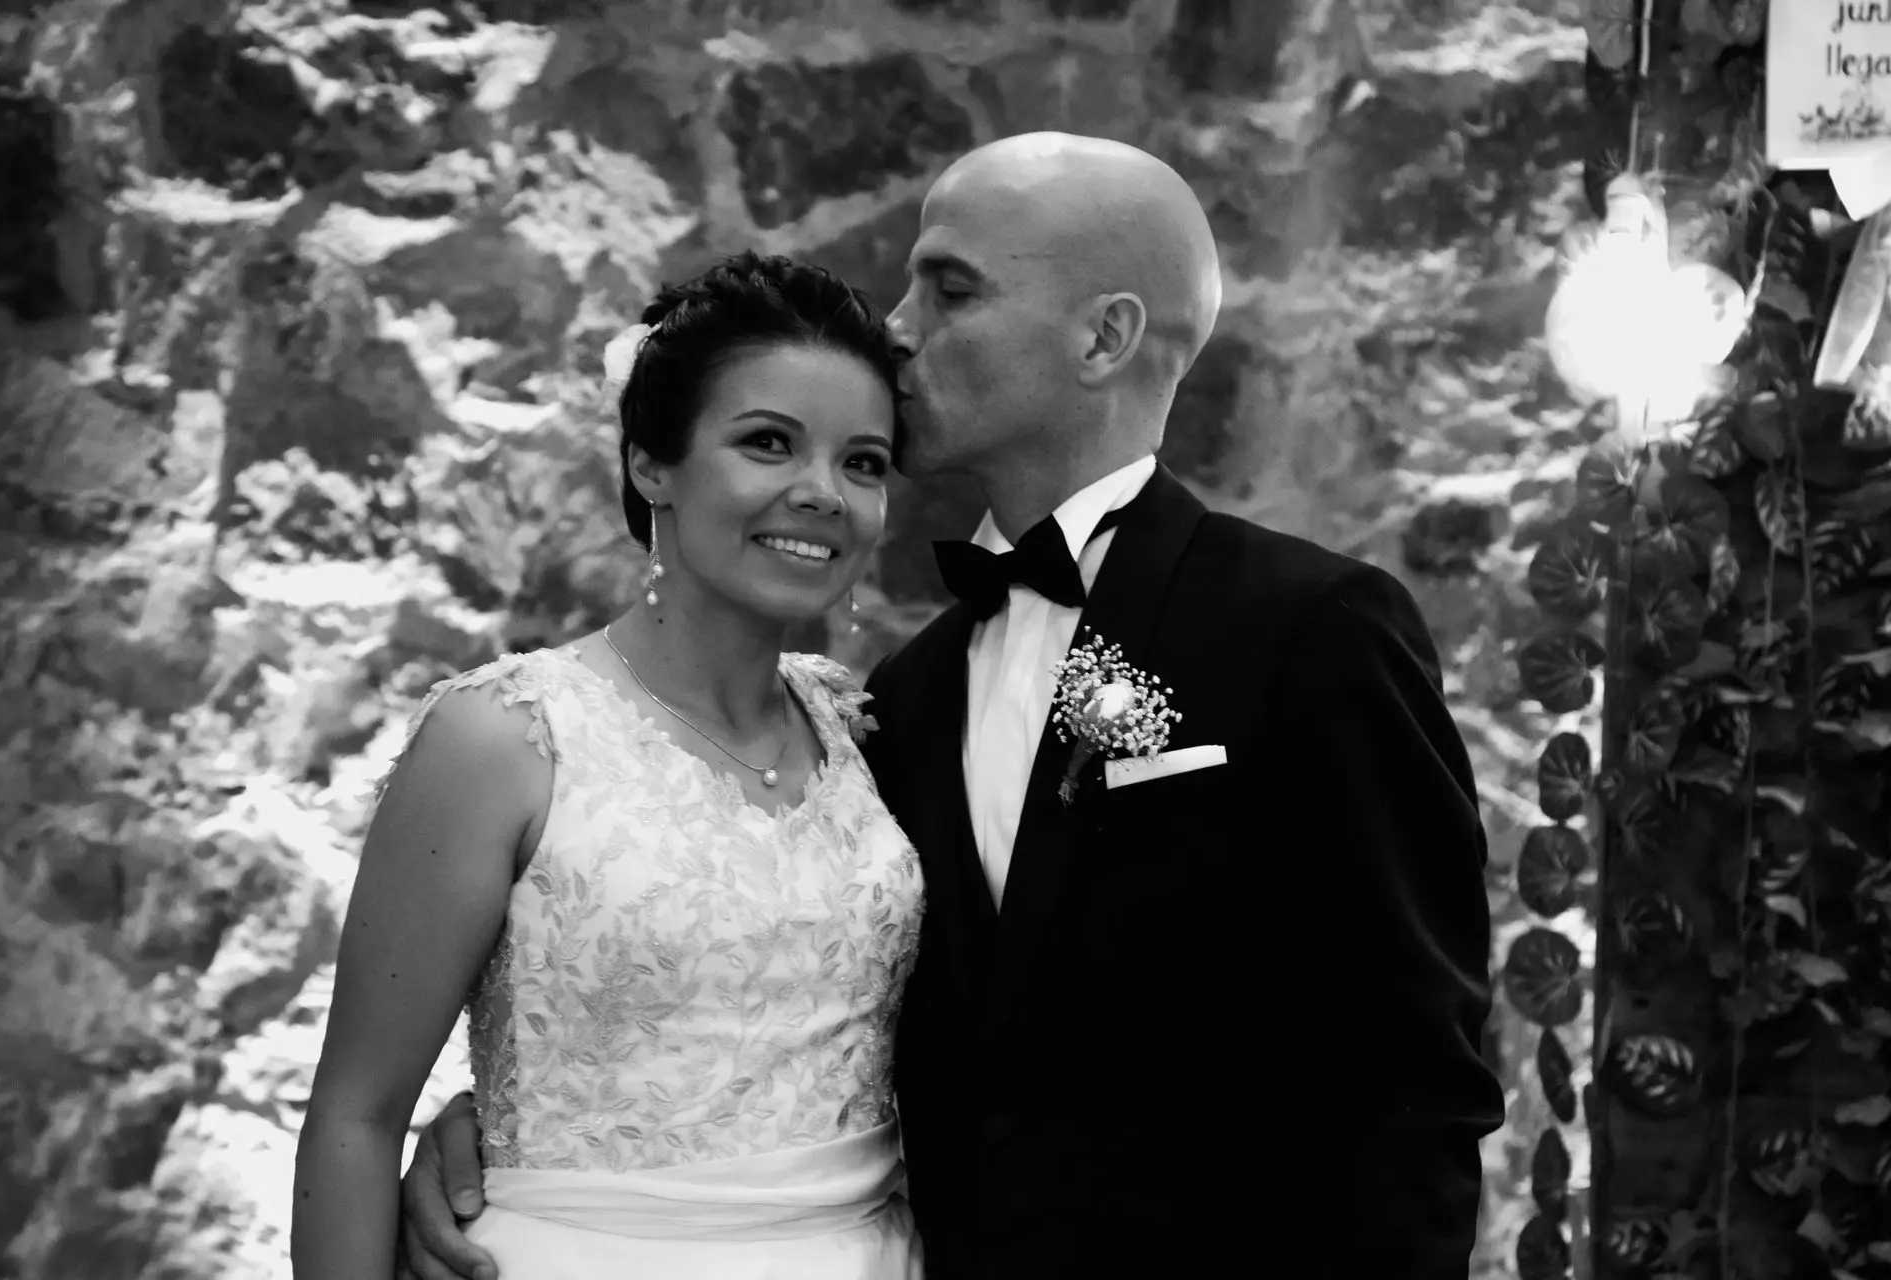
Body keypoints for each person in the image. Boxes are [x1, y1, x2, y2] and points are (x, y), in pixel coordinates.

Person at [399, 132, 1506, 1279]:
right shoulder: (898, 700)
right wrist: (526, 1130)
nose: (894, 325)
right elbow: (813, 1009)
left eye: (950, 287)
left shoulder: (1313, 628)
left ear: (1104, 337)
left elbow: (1416, 1080)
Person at [292, 252, 927, 1280]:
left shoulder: (858, 726)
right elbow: (354, 1118)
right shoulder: (502, 736)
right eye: (768, 442)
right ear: (650, 464)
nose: (822, 492)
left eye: (863, 462)